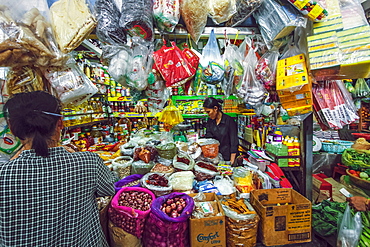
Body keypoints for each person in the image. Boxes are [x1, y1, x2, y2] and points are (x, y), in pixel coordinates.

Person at [0, 91, 116, 247]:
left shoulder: (4, 174)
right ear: (60, 123)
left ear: (12, 129)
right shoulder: (89, 163)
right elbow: (109, 188)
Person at [203, 97, 238, 164]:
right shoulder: (210, 121)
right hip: (214, 157)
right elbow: (208, 138)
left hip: (227, 157)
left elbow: (234, 142)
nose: (208, 114)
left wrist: (231, 162)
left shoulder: (229, 121)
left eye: (208, 112)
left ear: (215, 108)